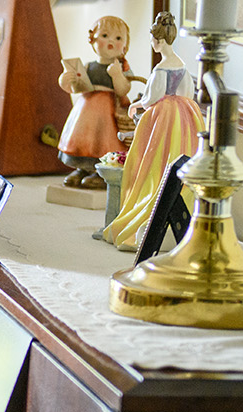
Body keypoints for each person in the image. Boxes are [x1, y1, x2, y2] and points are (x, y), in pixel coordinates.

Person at [100, 12, 205, 251]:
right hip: (184, 117)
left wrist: (137, 104)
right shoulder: (181, 64)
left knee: (153, 160)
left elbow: (151, 98)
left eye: (151, 40)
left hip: (163, 118)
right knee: (178, 151)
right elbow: (187, 92)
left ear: (158, 41)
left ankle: (151, 209)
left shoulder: (160, 69)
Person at [55, 15, 135, 189]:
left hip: (107, 114)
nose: (111, 42)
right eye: (105, 36)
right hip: (85, 111)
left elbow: (123, 89)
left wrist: (117, 75)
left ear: (125, 46)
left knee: (103, 142)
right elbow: (75, 85)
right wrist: (65, 79)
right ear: (93, 40)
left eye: (118, 38)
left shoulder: (121, 68)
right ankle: (82, 168)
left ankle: (102, 172)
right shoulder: (89, 66)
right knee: (82, 139)